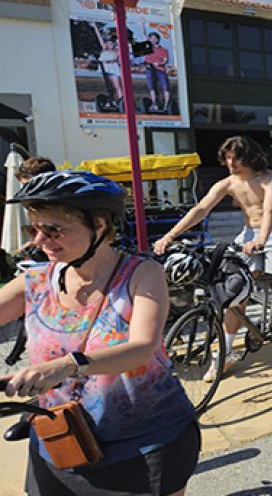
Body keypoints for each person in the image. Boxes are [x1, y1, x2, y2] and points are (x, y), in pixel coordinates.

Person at [0, 171, 199, 494]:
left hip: (144, 442)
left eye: (53, 230)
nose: (39, 241)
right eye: (33, 229)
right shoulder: (35, 281)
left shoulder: (141, 274)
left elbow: (142, 347)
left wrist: (67, 365)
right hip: (62, 440)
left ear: (100, 225)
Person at [154, 136, 272, 373]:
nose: (230, 162)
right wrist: (170, 235)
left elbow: (268, 211)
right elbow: (200, 209)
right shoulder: (227, 183)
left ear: (248, 157)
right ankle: (225, 352)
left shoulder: (268, 178)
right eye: (227, 157)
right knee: (235, 293)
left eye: (235, 157)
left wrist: (261, 239)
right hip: (248, 234)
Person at [90, 22, 123, 108]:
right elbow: (99, 38)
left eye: (112, 43)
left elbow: (115, 58)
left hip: (113, 70)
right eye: (108, 43)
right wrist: (95, 28)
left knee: (117, 86)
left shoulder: (116, 51)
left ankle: (121, 100)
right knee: (109, 87)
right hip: (105, 70)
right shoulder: (104, 49)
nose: (110, 44)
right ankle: (111, 101)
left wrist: (107, 61)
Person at [142, 31, 171, 112]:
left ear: (158, 39)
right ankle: (154, 104)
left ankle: (166, 105)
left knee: (165, 87)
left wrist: (159, 63)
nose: (153, 40)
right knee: (151, 87)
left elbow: (165, 60)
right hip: (149, 68)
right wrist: (142, 25)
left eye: (155, 38)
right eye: (151, 38)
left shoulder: (164, 50)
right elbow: (144, 36)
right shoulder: (148, 48)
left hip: (160, 69)